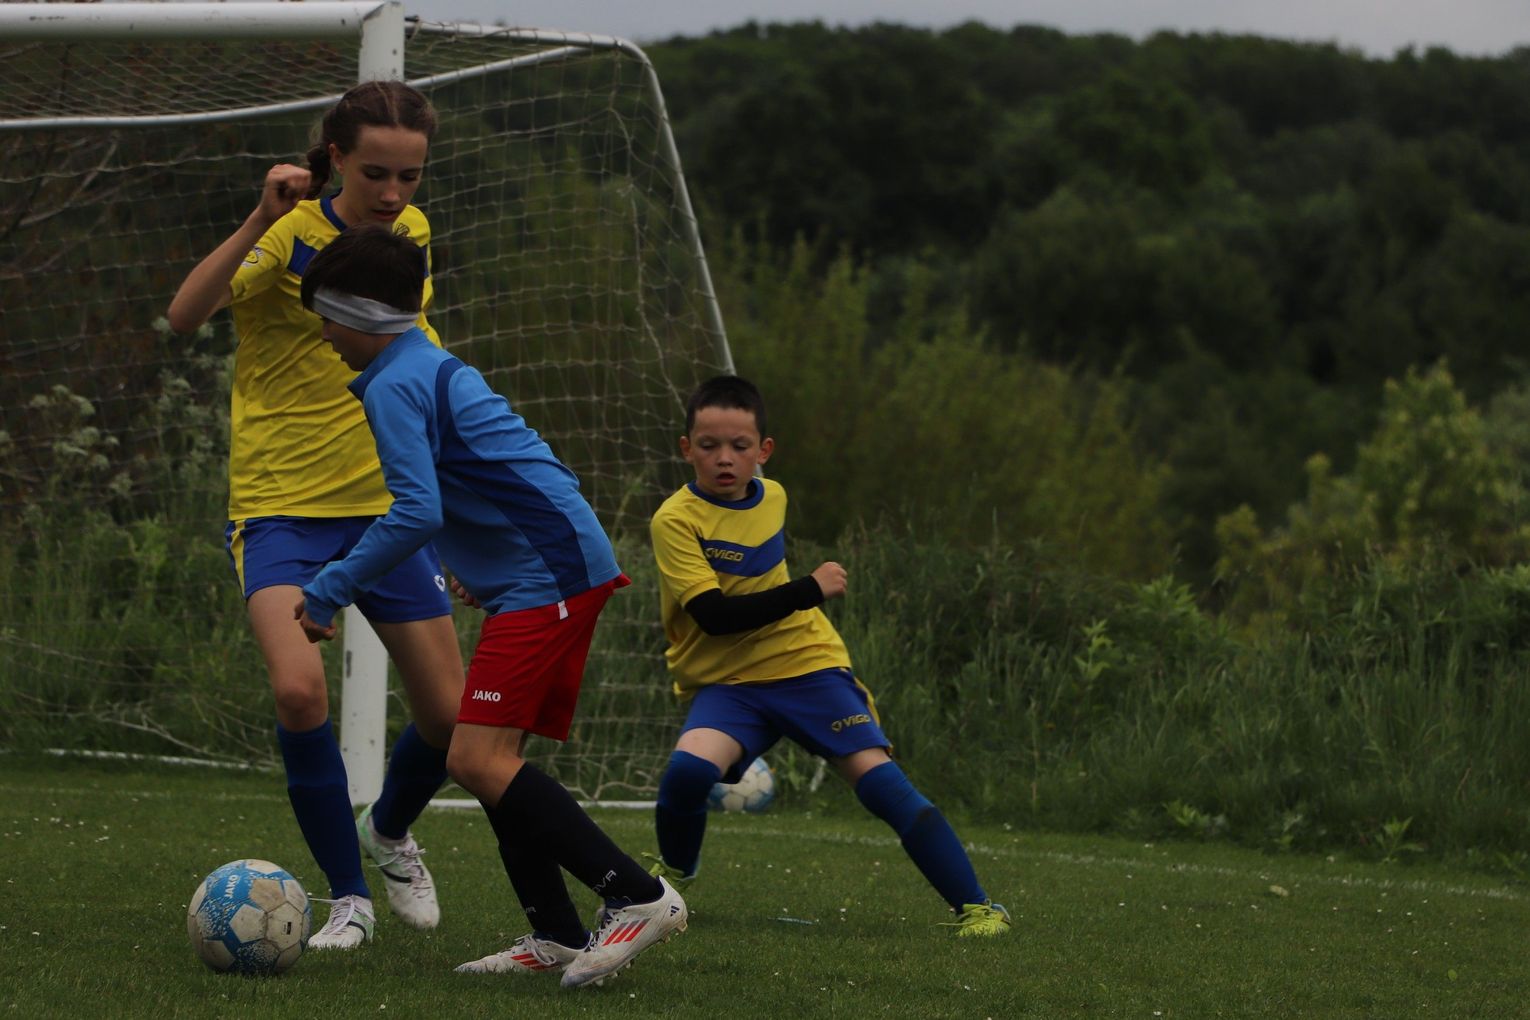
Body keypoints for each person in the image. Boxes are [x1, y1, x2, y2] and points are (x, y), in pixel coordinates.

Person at [292, 224, 688, 988]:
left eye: (329, 318)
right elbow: (503, 469)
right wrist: (488, 564)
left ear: (366, 314)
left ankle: (638, 896)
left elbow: (416, 512)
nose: (324, 334)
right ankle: (558, 936)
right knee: (490, 760)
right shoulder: (423, 365)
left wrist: (328, 587)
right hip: (548, 565)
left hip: (551, 574)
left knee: (474, 758)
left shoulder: (395, 383)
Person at [166, 81, 464, 950]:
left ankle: (389, 833)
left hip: (386, 508)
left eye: (410, 175)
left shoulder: (412, 234)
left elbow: (417, 353)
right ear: (337, 158)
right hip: (280, 507)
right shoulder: (289, 233)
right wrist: (259, 218)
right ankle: (348, 899)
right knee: (299, 691)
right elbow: (185, 314)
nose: (394, 193)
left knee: (449, 720)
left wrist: (459, 507)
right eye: (376, 173)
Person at [645, 375, 1012, 937]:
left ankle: (979, 909)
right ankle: (670, 882)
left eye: (740, 446)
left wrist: (802, 598)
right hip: (729, 681)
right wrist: (809, 589)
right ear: (685, 448)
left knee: (883, 786)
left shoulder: (773, 496)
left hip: (806, 666)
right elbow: (714, 616)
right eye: (709, 445)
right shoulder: (674, 519)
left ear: (764, 450)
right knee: (687, 774)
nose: (724, 458)